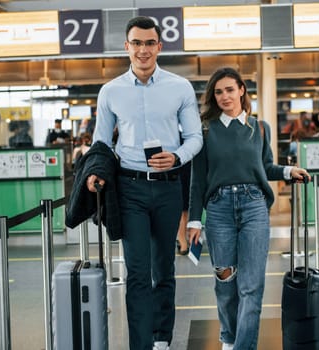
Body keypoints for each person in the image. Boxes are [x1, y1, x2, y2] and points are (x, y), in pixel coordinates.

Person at [85, 16, 203, 350]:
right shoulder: (111, 92)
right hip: (130, 188)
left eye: (150, 43)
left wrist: (177, 157)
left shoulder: (179, 88)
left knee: (163, 269)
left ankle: (161, 339)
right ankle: (140, 344)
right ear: (127, 47)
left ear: (159, 47)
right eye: (136, 43)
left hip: (167, 187)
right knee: (137, 272)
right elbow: (102, 143)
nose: (143, 50)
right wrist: (97, 172)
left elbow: (195, 137)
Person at [187, 67, 310, 350]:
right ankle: (229, 339)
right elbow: (198, 179)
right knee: (226, 284)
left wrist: (289, 171)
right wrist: (194, 220)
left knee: (252, 287)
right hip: (218, 210)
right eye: (218, 92)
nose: (224, 96)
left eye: (230, 89)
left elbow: (265, 167)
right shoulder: (205, 130)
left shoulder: (260, 128)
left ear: (242, 89)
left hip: (254, 206)